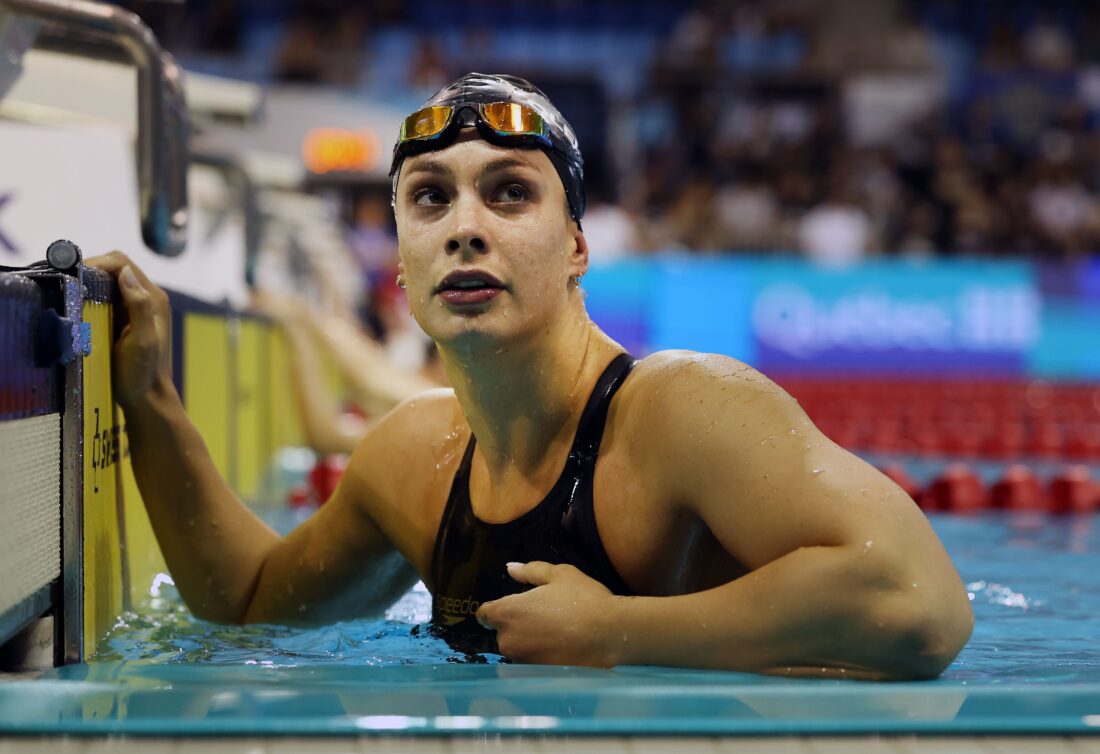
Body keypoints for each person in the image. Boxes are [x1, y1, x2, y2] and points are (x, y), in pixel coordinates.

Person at [89, 73, 972, 678]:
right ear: (400, 263)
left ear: (578, 245)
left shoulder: (684, 412)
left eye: (510, 192)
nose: (464, 227)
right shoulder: (411, 462)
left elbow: (921, 601)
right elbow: (248, 604)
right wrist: (150, 400)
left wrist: (622, 631)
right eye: (430, 198)